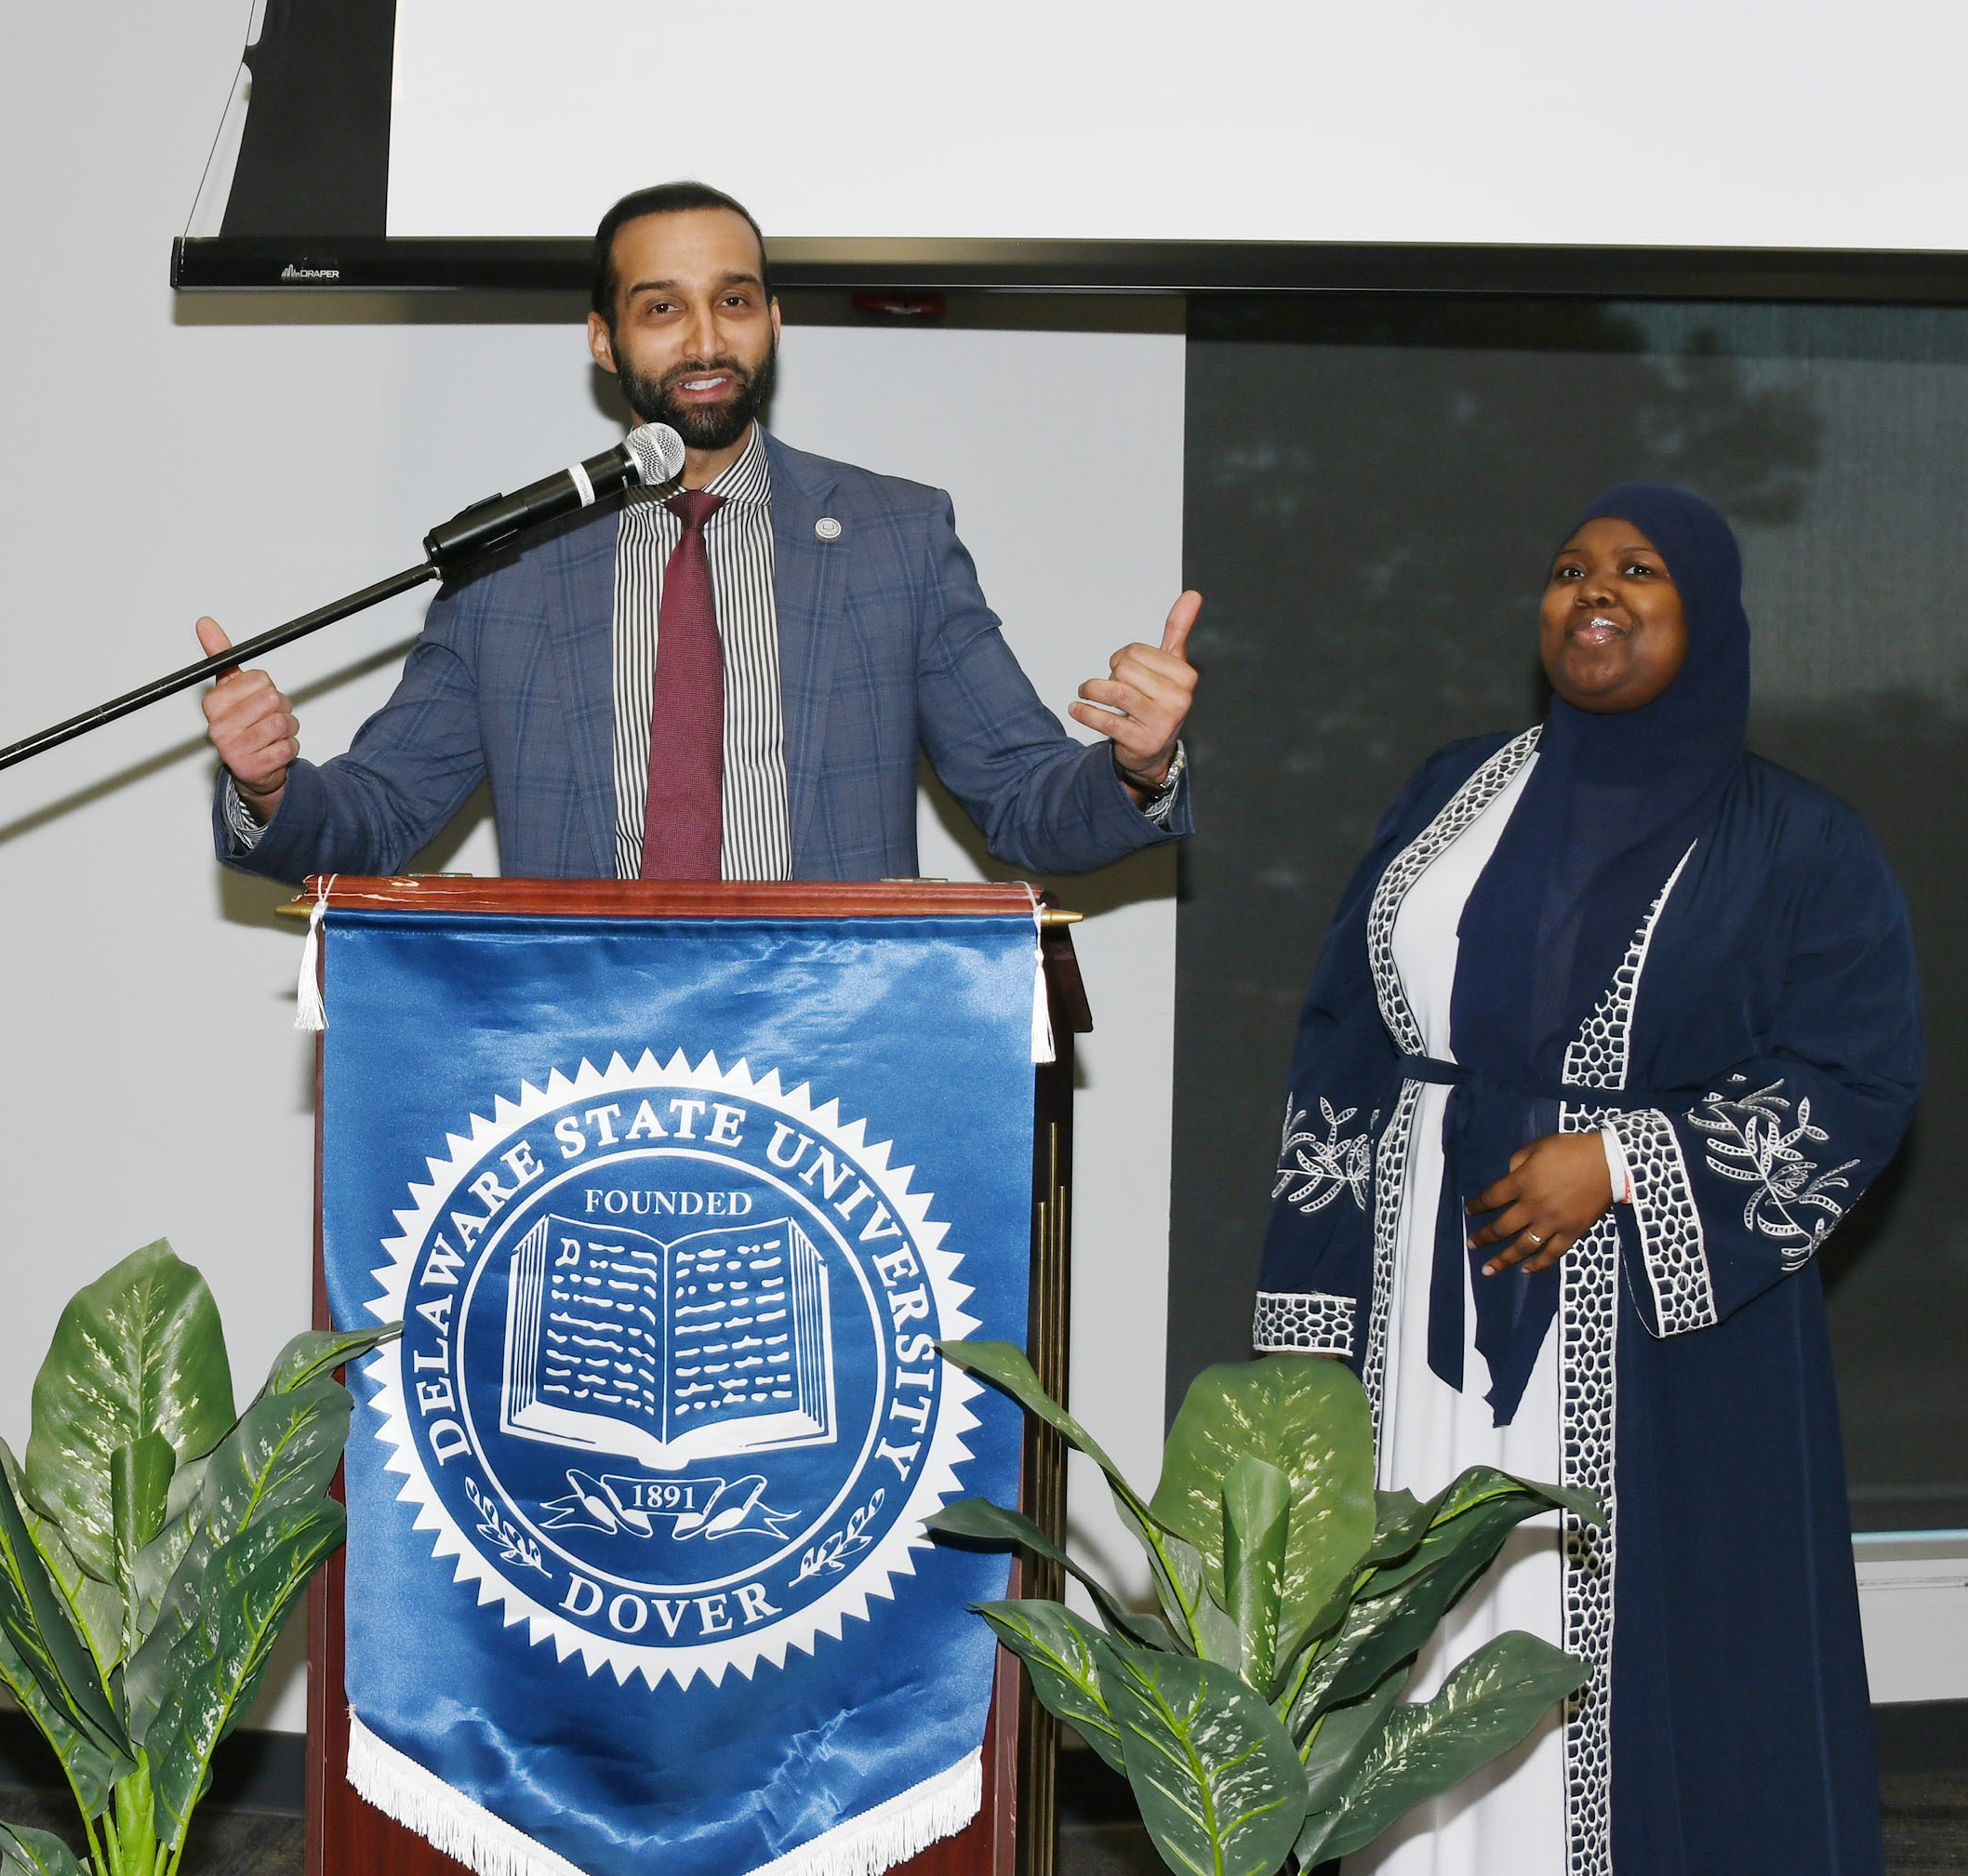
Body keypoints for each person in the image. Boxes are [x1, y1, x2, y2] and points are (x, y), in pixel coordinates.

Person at [1253, 484, 1916, 1874]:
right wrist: (1306, 1343)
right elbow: (1342, 1043)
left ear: (1710, 612)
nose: (1592, 592)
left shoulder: (1798, 842)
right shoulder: (1448, 793)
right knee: (1415, 1635)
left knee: (1632, 1658)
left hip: (1663, 1350)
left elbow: (1859, 1075)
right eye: (1567, 569)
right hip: (1417, 1313)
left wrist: (1619, 1162)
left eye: (1638, 570)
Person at [197, 180, 1200, 883]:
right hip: (588, 1074)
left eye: (734, 301)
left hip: (832, 1068)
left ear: (774, 320)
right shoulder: (512, 567)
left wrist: (1135, 769)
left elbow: (1026, 801)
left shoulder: (895, 538)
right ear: (603, 338)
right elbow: (377, 818)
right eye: (662, 308)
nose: (707, 339)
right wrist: (273, 787)